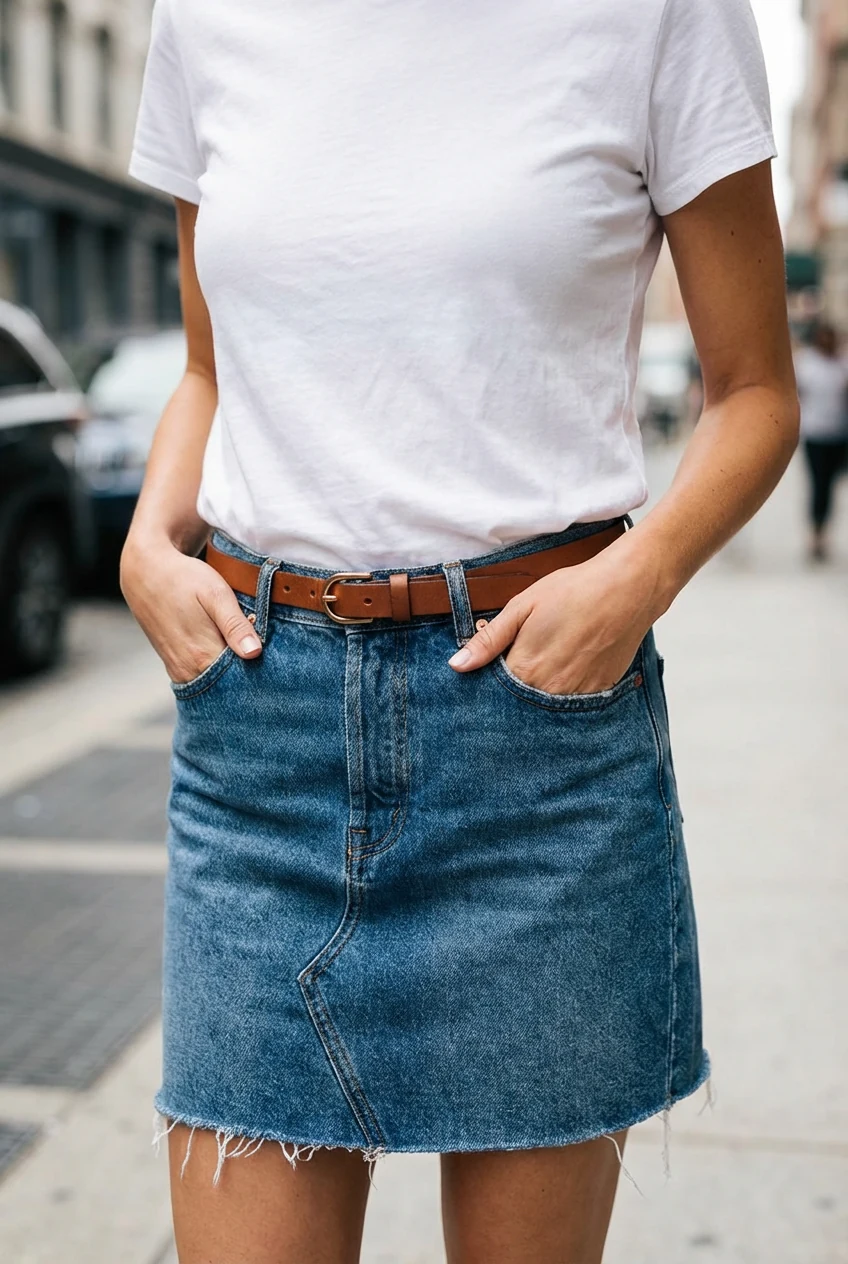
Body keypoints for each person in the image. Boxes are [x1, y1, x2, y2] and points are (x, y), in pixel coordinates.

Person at [121, 1, 798, 1260]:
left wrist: (634, 579)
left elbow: (753, 392)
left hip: (531, 740)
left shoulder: (659, 12)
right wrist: (145, 548)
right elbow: (209, 373)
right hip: (259, 741)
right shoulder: (205, 17)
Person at [794, 321, 848, 561]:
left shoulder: (842, 364)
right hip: (815, 434)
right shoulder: (806, 364)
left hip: (839, 434)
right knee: (819, 486)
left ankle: (824, 530)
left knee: (832, 487)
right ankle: (817, 535)